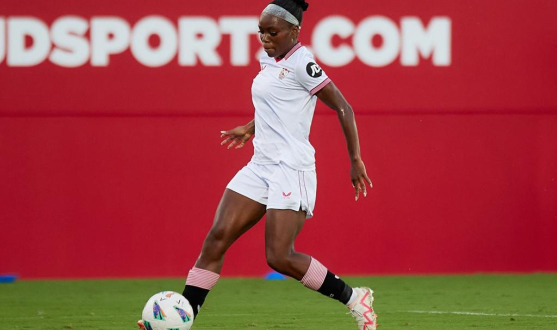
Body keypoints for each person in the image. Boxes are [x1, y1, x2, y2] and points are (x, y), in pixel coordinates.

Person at [139, 0, 376, 329]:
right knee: (217, 237)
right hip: (261, 164)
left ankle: (354, 297)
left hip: (291, 167)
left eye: (272, 31)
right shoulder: (271, 60)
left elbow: (343, 106)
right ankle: (183, 317)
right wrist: (250, 128)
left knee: (279, 256)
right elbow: (278, 105)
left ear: (294, 31)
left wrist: (355, 160)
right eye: (261, 31)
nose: (265, 37)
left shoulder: (302, 62)